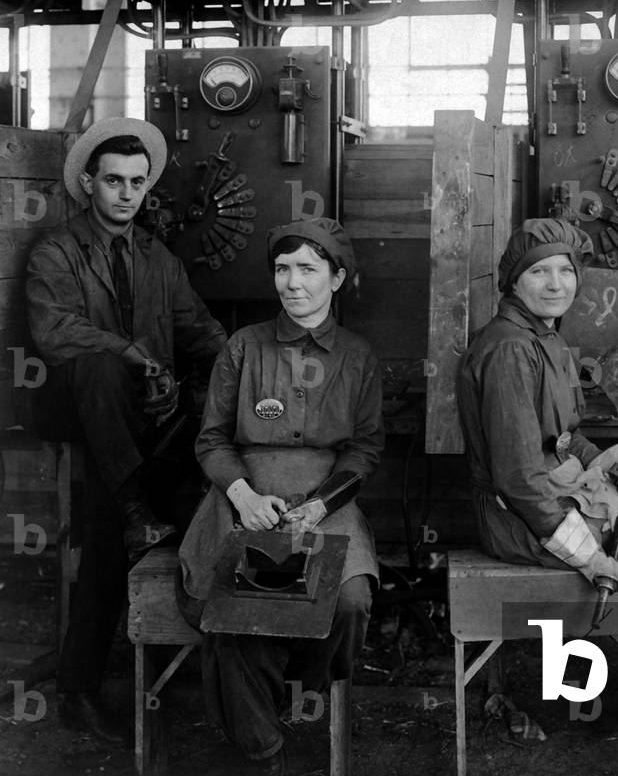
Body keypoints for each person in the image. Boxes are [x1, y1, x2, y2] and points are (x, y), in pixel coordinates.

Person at [456, 217, 618, 738]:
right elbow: (517, 478)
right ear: (513, 281)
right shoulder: (510, 348)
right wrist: (590, 555)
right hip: (521, 518)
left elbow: (564, 437)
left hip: (554, 493)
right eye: (539, 273)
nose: (556, 285)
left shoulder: (544, 338)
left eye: (565, 270)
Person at [25, 117, 226, 745]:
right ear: (89, 183)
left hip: (141, 419)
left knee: (120, 531)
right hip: (74, 405)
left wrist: (250, 365)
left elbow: (198, 329)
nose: (126, 194)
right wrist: (135, 354)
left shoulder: (156, 256)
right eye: (114, 181)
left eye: (138, 183)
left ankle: (133, 510)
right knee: (99, 366)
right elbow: (56, 333)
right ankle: (133, 506)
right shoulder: (56, 250)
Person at [177, 217, 384, 776]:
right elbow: (212, 439)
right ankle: (263, 750)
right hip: (243, 493)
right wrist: (242, 494)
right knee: (233, 609)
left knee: (349, 602)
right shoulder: (243, 347)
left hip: (326, 502)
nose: (293, 282)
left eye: (308, 270)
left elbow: (363, 451)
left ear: (336, 279)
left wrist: (321, 504)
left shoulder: (358, 357)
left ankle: (296, 693)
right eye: (282, 268)